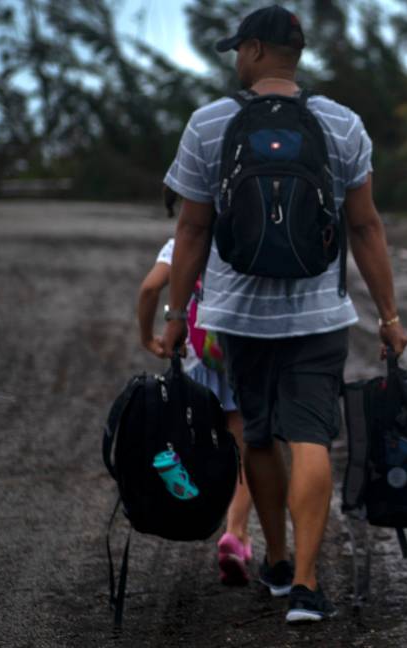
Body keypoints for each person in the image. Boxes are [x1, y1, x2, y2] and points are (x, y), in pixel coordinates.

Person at [159, 5, 407, 625]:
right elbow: (366, 226)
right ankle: (306, 583)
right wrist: (389, 314)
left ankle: (274, 559)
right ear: (295, 55)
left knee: (260, 437)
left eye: (238, 50)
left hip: (237, 316)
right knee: (312, 438)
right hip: (318, 315)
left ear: (252, 52)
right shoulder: (342, 124)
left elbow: (191, 229)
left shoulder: (211, 124)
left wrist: (172, 316)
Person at [137, 235, 254, 586]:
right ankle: (236, 532)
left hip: (197, 362)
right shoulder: (238, 240)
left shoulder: (183, 243)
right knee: (244, 448)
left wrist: (147, 336)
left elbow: (149, 288)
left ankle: (196, 508)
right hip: (240, 355)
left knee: (199, 442)